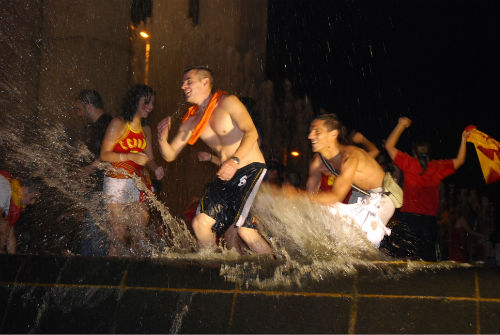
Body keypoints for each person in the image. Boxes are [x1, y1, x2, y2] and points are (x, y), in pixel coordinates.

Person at [157, 66, 272, 256]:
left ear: (205, 82)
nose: (183, 85)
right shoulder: (192, 120)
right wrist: (162, 139)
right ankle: (213, 270)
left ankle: (275, 270)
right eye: (183, 82)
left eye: (188, 81)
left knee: (244, 229)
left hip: (248, 169)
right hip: (226, 175)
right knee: (200, 223)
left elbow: (251, 133)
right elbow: (170, 154)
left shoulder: (228, 102)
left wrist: (234, 160)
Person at [300, 113, 396, 247]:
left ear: (333, 134)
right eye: (310, 131)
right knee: (342, 235)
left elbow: (336, 196)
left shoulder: (350, 157)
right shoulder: (317, 161)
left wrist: (295, 195)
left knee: (369, 240)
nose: (310, 136)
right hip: (359, 195)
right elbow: (311, 196)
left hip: (384, 196)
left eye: (316, 132)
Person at [384, 116, 469, 261]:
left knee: (404, 257)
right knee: (428, 260)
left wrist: (401, 125)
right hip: (429, 220)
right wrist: (464, 139)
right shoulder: (437, 167)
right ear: (429, 153)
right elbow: (460, 160)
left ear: (414, 152)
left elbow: (389, 146)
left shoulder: (409, 163)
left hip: (410, 217)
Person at [100, 84, 164, 256]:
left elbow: (149, 158)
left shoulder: (146, 129)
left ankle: (133, 274)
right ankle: (111, 276)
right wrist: (130, 156)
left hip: (136, 183)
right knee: (118, 234)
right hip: (116, 182)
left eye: (153, 104)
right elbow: (105, 154)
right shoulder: (118, 123)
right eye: (147, 102)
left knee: (140, 230)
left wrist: (156, 168)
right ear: (135, 101)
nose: (151, 107)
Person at [75, 89, 113, 256]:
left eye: (79, 109)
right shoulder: (96, 127)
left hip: (104, 192)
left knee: (96, 244)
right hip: (96, 192)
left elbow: (109, 154)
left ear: (89, 106)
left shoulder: (108, 124)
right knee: (89, 240)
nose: (79, 114)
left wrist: (87, 170)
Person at [0, 170, 40, 254]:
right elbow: (3, 226)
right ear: (24, 190)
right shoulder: (4, 187)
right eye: (33, 198)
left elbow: (10, 236)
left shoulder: (13, 201)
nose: (33, 203)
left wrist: (12, 261)